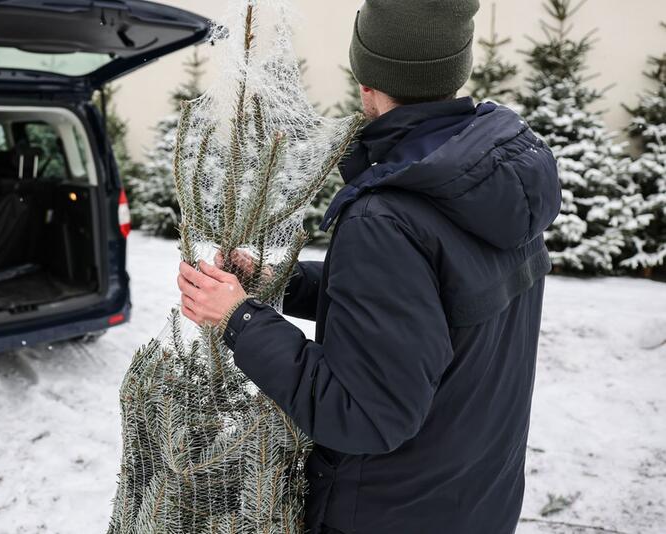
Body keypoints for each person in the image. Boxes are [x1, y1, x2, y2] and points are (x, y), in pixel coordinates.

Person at [176, 0, 562, 532]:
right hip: (477, 500)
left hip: (388, 513)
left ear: (368, 81)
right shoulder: (491, 181)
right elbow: (424, 308)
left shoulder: (388, 216)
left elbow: (363, 413)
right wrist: (276, 283)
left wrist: (240, 319)